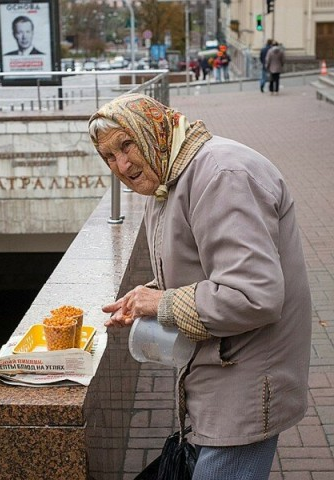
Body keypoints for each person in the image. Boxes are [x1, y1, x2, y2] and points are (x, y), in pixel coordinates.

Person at [88, 93, 311, 480]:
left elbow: (253, 295)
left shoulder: (222, 176)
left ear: (153, 130)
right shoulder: (169, 176)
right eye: (108, 157)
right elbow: (204, 262)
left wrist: (161, 303)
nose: (121, 165)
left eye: (127, 145)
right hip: (223, 372)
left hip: (247, 380)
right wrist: (146, 296)